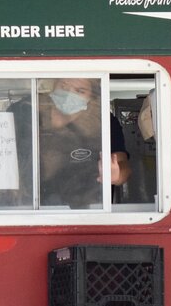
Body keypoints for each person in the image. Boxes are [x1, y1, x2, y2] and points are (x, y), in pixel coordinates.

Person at [37, 77, 130, 208]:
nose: (70, 95)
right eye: (64, 86)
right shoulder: (30, 113)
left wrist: (116, 176)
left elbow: (122, 165)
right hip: (34, 207)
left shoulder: (104, 121)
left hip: (90, 208)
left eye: (80, 91)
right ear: (53, 85)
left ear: (91, 96)